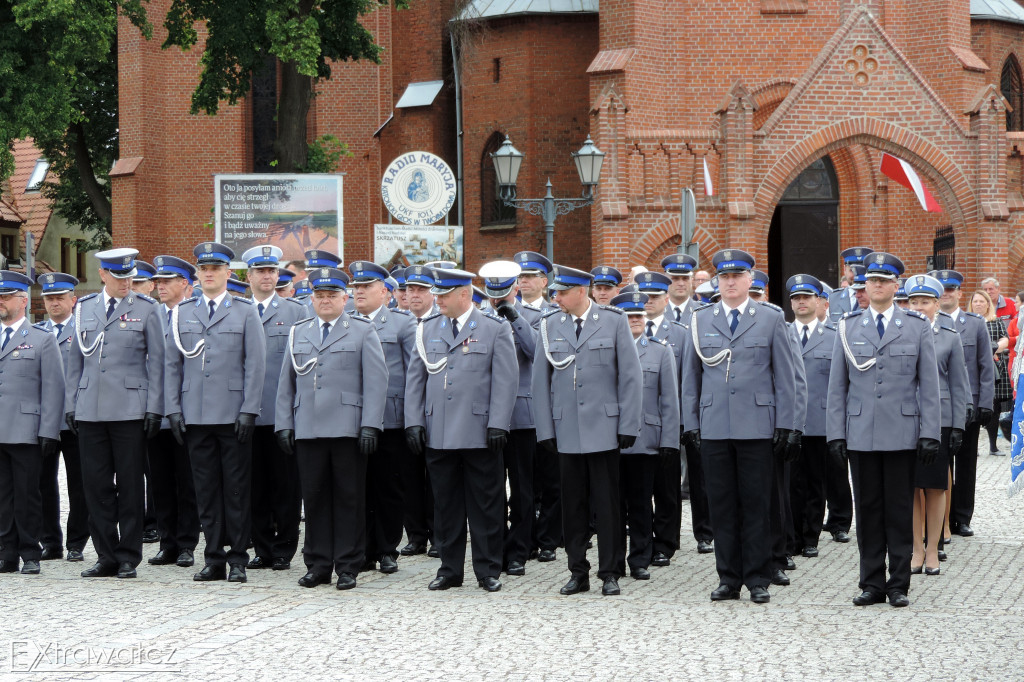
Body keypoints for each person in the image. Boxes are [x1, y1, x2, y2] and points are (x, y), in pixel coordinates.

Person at [681, 249, 798, 604]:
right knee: (721, 505)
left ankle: (757, 577)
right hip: (715, 425)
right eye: (725, 277)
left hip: (757, 426)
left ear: (750, 280)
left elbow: (786, 376)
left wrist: (788, 424)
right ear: (718, 281)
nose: (730, 282)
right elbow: (690, 377)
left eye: (737, 276)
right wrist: (691, 424)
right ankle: (728, 577)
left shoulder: (770, 318)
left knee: (757, 503)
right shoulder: (701, 319)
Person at [826, 252, 940, 608]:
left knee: (899, 509)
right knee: (869, 508)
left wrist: (929, 432)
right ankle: (871, 582)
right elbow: (837, 387)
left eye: (883, 280)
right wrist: (836, 433)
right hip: (860, 432)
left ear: (895, 286)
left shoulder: (917, 326)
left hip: (902, 432)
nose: (876, 286)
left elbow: (929, 385)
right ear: (865, 286)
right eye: (870, 281)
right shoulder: (847, 326)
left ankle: (899, 584)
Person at [405, 267, 517, 593]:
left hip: (480, 431)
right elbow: (416, 379)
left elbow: (506, 381)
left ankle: (487, 570)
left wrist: (498, 423)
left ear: (464, 295)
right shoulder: (427, 329)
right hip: (438, 430)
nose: (437, 299)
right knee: (446, 505)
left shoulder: (493, 328)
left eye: (443, 294)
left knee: (485, 504)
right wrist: (414, 421)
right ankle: (449, 569)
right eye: (437, 294)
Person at [534, 265, 643, 597]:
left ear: (581, 291)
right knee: (573, 505)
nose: (556, 297)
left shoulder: (613, 321)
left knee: (608, 505)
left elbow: (630, 377)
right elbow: (540, 383)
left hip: (605, 429)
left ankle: (610, 571)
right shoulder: (549, 325)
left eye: (562, 292)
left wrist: (628, 424)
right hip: (567, 430)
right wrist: (545, 430)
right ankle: (577, 570)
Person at [275, 266, 387, 589]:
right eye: (319, 295)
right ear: (312, 298)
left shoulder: (362, 330)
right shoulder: (300, 331)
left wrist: (371, 425)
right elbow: (287, 383)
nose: (325, 301)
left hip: (347, 429)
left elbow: (377, 382)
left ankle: (348, 565)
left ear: (344, 298)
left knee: (349, 498)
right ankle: (318, 563)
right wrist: (284, 423)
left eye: (331, 295)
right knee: (314, 499)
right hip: (308, 428)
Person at [165, 242, 266, 584]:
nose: (209, 273)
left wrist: (250, 409)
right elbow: (172, 365)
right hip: (195, 414)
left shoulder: (245, 311)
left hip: (233, 412)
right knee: (205, 490)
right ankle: (213, 558)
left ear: (228, 273)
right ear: (198, 274)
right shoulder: (183, 312)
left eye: (215, 268)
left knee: (235, 489)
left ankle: (238, 557)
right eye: (204, 269)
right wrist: (173, 409)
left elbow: (255, 364)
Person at [66, 248, 164, 579]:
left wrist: (154, 407)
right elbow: (75, 362)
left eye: (129, 277)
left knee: (130, 486)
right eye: (119, 277)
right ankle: (105, 554)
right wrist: (71, 404)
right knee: (96, 486)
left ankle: (128, 556)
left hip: (129, 410)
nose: (126, 283)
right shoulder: (84, 308)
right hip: (90, 409)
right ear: (103, 275)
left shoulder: (147, 309)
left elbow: (159, 363)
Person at [242, 245, 307, 573]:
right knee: (255, 486)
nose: (268, 276)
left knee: (285, 485)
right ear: (249, 276)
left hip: (284, 414)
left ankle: (284, 548)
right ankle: (263, 548)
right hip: (248, 413)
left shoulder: (295, 312)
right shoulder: (239, 311)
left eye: (272, 271)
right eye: (261, 271)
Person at [348, 260, 415, 575]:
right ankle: (362, 550)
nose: (358, 292)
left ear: (386, 293)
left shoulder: (402, 324)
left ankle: (387, 548)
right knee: (358, 488)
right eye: (356, 287)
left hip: (390, 419)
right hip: (353, 418)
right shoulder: (345, 322)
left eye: (366, 287)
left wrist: (412, 420)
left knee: (389, 487)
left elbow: (414, 375)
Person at [611, 291, 680, 580]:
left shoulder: (660, 351)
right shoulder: (606, 350)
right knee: (612, 507)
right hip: (609, 439)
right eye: (628, 317)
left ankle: (640, 558)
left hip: (645, 440)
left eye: (638, 315)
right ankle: (612, 561)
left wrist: (669, 442)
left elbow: (669, 401)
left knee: (640, 504)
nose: (635, 320)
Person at [0, 270, 64, 575]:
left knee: (27, 495)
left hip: (26, 431)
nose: (1, 302)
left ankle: (30, 552)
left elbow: (54, 389)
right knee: (2, 497)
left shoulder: (41, 340)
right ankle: (6, 552)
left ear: (23, 301)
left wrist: (49, 430)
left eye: (6, 297)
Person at [481, 261, 542, 575]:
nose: (497, 300)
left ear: (515, 287)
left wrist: (514, 317)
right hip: (486, 415)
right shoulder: (477, 317)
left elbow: (537, 352)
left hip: (520, 416)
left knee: (522, 489)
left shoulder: (532, 317)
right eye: (493, 294)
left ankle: (519, 549)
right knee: (490, 488)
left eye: (502, 293)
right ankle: (494, 548)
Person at [905, 274, 968, 575]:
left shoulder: (950, 336)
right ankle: (916, 549)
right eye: (914, 301)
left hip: (939, 418)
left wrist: (958, 425)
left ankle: (933, 549)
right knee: (911, 486)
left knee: (934, 486)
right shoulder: (901, 331)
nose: (919, 306)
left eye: (925, 301)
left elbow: (959, 384)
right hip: (905, 418)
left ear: (936, 303)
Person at [147, 255, 200, 569]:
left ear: (185, 284)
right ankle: (167, 543)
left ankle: (187, 544)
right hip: (156, 411)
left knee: (187, 481)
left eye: (167, 281)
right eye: (158, 281)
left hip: (184, 410)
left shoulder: (193, 316)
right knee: (160, 482)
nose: (160, 286)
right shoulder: (151, 316)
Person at [932, 270, 994, 539]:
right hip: (940, 407)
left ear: (959, 293)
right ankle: (939, 519)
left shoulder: (976, 323)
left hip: (970, 405)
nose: (946, 293)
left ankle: (962, 516)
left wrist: (986, 402)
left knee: (966, 464)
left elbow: (985, 364)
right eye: (941, 288)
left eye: (951, 288)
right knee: (939, 462)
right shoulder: (928, 323)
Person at [35, 272, 89, 563]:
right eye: (49, 298)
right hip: (44, 420)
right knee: (43, 482)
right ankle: (50, 542)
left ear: (73, 300)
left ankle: (76, 542)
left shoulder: (83, 332)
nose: (54, 303)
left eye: (59, 298)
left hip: (76, 420)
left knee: (80, 483)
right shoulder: (35, 333)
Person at [634, 270, 687, 567]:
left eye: (654, 296)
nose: (649, 301)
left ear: (666, 299)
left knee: (667, 489)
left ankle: (665, 543)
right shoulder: (624, 329)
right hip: (636, 426)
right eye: (644, 296)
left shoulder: (678, 332)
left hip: (669, 419)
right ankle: (641, 541)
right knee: (639, 490)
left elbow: (688, 380)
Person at [785, 275, 834, 562]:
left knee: (817, 483)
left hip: (820, 421)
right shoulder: (782, 332)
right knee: (791, 483)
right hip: (790, 422)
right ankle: (790, 538)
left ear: (818, 301)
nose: (801, 302)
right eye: (796, 298)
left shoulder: (832, 336)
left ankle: (811, 536)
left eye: (807, 297)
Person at [398, 264, 438, 557]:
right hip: (408, 411)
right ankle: (415, 535)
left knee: (436, 478)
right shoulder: (399, 321)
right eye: (409, 289)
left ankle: (439, 534)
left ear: (433, 294)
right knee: (410, 477)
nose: (413, 295)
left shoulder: (440, 322)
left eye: (420, 290)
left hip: (437, 412)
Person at [969, 289, 1011, 456]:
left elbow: (1005, 339)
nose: (978, 304)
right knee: (973, 405)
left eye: (982, 301)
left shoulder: (996, 321)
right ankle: (973, 447)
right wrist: (987, 351)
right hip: (972, 369)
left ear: (988, 304)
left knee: (993, 408)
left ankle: (993, 446)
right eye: (975, 301)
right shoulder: (967, 321)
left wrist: (992, 349)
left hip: (994, 369)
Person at [829, 247, 871, 321]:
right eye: (852, 270)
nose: (856, 275)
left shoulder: (876, 298)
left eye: (862, 270)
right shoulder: (832, 299)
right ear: (844, 269)